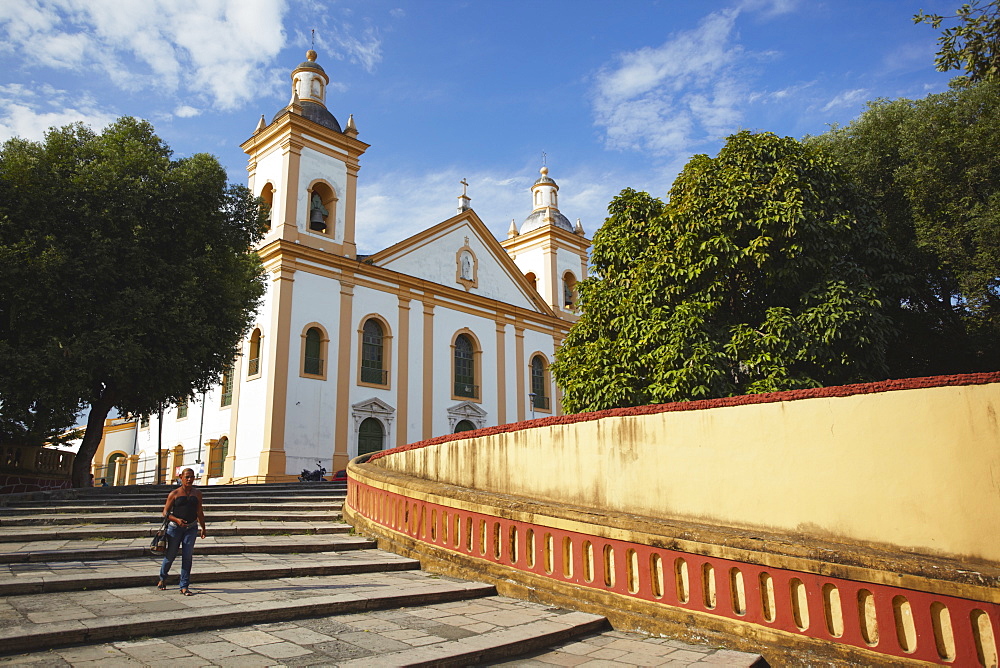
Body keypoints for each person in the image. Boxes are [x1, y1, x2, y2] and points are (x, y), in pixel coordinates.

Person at [156, 468, 206, 595]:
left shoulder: (197, 493)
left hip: (191, 528)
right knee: (170, 555)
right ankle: (163, 577)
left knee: (187, 557)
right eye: (187, 477)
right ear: (181, 477)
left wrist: (203, 528)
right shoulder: (174, 493)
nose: (190, 479)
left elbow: (199, 511)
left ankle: (184, 585)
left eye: (192, 477)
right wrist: (176, 520)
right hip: (175, 528)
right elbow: (165, 512)